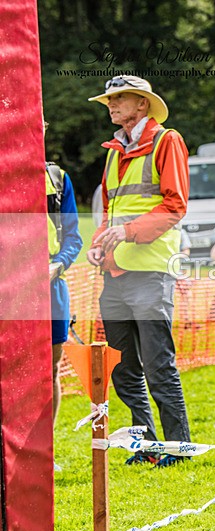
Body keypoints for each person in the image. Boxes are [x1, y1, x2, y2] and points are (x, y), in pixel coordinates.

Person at [86, 75, 191, 467]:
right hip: (114, 275)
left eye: (119, 99)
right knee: (123, 367)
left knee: (158, 364)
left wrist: (127, 232)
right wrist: (99, 245)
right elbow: (110, 212)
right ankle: (144, 446)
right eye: (109, 100)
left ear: (142, 105)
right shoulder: (113, 152)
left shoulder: (168, 141)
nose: (111, 105)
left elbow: (175, 205)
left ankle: (178, 448)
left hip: (151, 271)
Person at [45, 144, 83, 450]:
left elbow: (73, 238)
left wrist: (56, 265)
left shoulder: (57, 178)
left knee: (50, 369)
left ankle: (45, 449)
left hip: (51, 289)